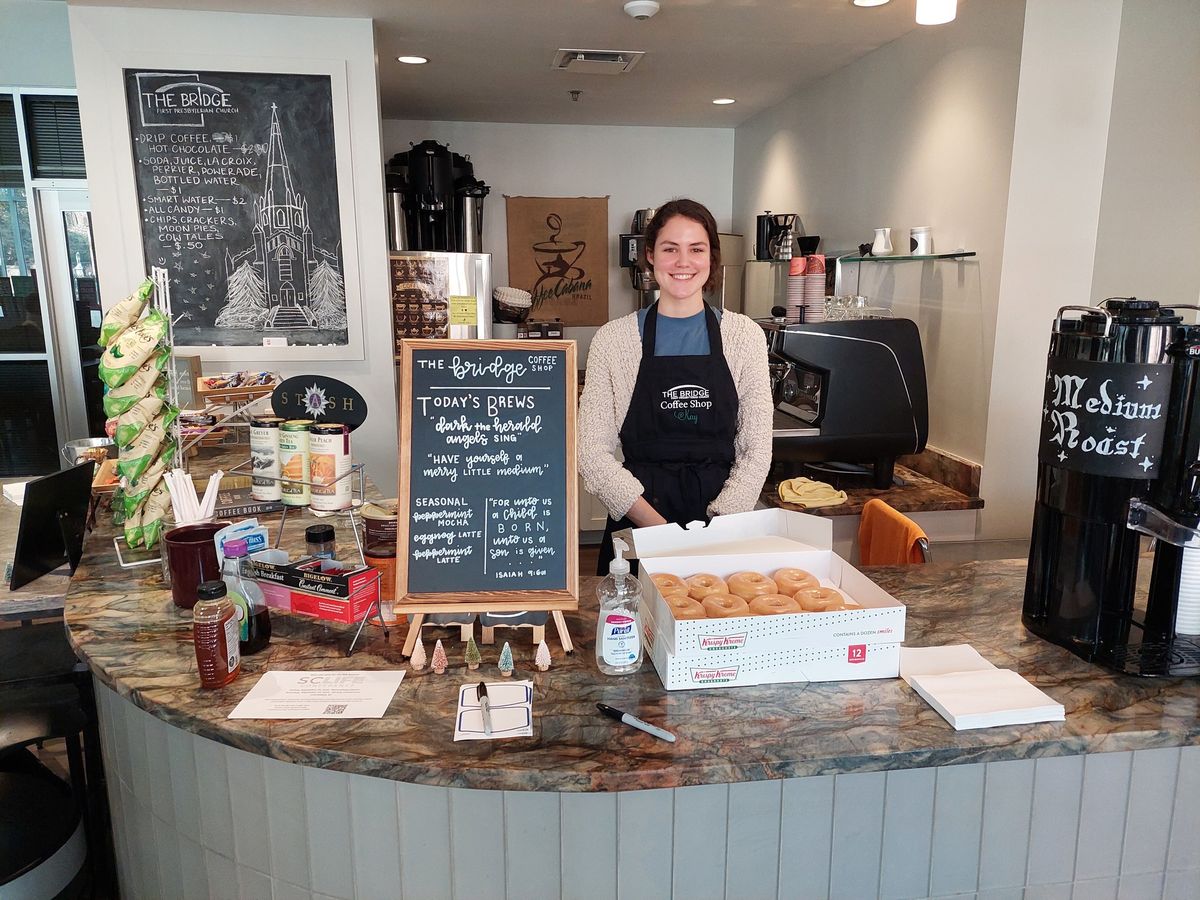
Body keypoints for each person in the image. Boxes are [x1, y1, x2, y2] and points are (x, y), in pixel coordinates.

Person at [579, 199, 773, 573]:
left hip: (722, 529)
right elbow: (592, 454)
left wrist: (716, 527)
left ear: (711, 257)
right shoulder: (614, 340)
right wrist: (661, 532)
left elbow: (756, 450)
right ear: (651, 255)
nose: (683, 262)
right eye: (670, 249)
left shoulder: (744, 336)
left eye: (696, 249)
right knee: (630, 627)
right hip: (638, 522)